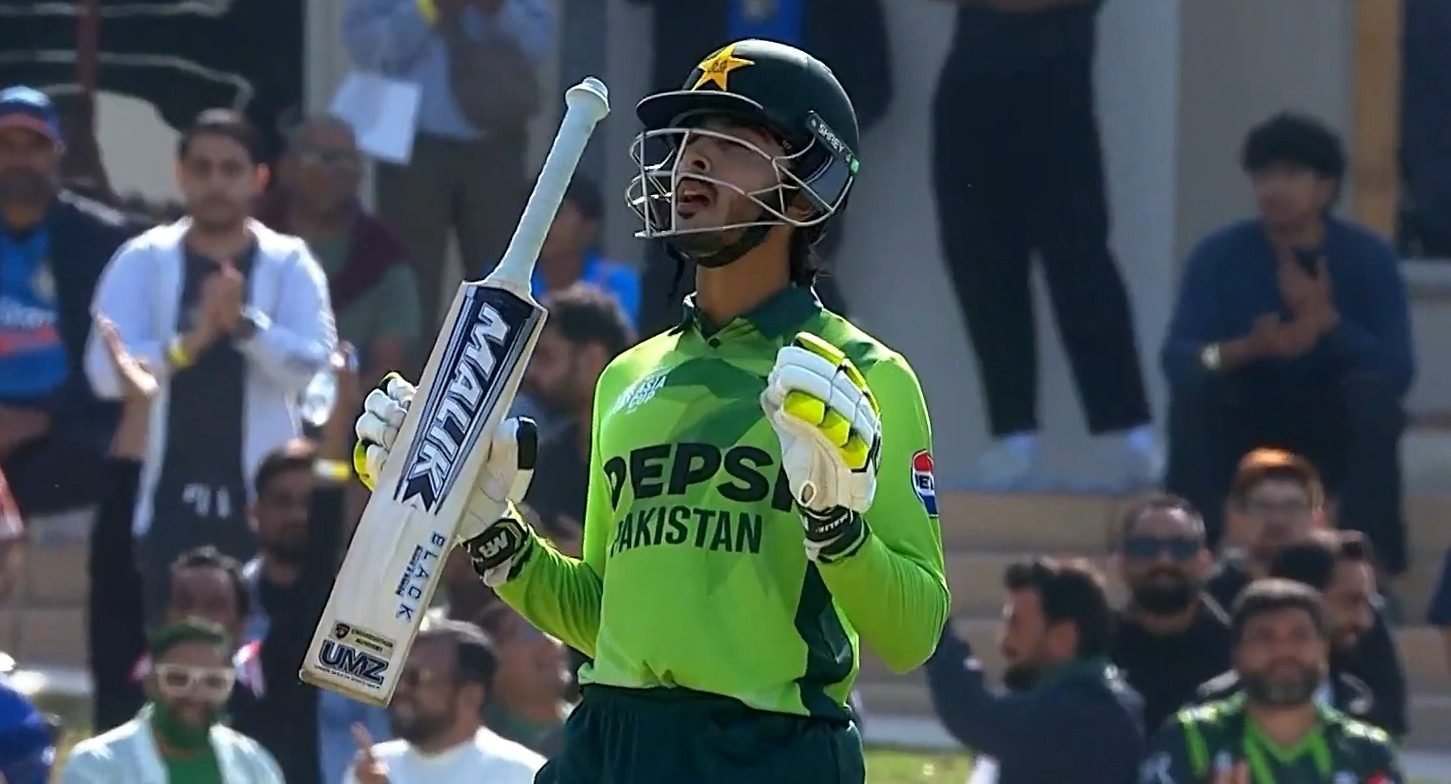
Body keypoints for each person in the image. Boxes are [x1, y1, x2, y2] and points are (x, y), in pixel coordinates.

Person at [352, 39, 949, 783]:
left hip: (765, 752)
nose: (693, 159)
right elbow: (604, 618)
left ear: (807, 187)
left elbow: (913, 632)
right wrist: (494, 533)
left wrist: (836, 528)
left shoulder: (866, 377)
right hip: (608, 740)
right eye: (689, 138)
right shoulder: (629, 376)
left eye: (732, 140)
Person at [85, 108, 336, 622]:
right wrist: (189, 344)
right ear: (180, 175)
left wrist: (245, 327)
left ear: (259, 178)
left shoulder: (290, 263)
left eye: (230, 169)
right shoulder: (141, 258)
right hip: (160, 507)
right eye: (202, 168)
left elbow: (316, 373)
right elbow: (103, 372)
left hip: (260, 508)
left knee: (262, 655)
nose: (216, 183)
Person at [1162, 113, 1413, 571]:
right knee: (1194, 393)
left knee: (1373, 398)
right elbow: (1182, 359)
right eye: (1263, 176)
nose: (1273, 189)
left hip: (1330, 414)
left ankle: (1369, 564)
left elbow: (1397, 370)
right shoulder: (1218, 255)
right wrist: (1246, 349)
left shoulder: (1369, 258)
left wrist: (1328, 323)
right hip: (1244, 406)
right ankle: (1194, 554)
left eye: (1291, 175)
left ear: (1327, 187)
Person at [929, 0, 1157, 490]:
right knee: (982, 266)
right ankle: (1013, 438)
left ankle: (1128, 433)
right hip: (972, 83)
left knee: (1080, 261)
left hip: (1055, 84)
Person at [341, 0, 554, 343]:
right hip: (412, 146)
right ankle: (412, 375)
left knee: (503, 273)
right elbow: (365, 46)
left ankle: (501, 370)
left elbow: (539, 43)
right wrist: (429, 7)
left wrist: (496, 9)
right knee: (411, 280)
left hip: (495, 145)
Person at [0, 85, 140, 517]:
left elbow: (124, 351)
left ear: (58, 152)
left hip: (71, 448)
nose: (19, 159)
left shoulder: (103, 240)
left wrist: (43, 419)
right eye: (6, 146)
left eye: (34, 146)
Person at [1143, 579, 1402, 783]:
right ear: (1236, 654)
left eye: (1299, 636)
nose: (1283, 650)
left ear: (1324, 649)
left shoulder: (1367, 751)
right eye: (1264, 637)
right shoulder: (1191, 739)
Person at [927, 558, 1144, 784]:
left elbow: (976, 715)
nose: (1004, 641)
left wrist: (933, 626)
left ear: (1063, 637)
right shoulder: (1099, 703)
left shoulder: (1086, 715)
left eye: (1016, 624)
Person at [256, 116, 421, 386]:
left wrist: (339, 405)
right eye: (323, 158)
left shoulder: (385, 259)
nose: (337, 171)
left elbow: (389, 371)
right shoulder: (250, 241)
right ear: (287, 167)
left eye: (348, 161)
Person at [1199, 531, 1405, 737]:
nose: (1364, 620)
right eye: (1350, 602)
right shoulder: (1207, 721)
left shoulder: (1365, 708)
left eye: (1369, 604)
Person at [59, 618, 284, 784]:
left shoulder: (254, 765)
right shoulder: (98, 764)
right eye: (178, 679)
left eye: (213, 682)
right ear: (150, 684)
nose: (195, 696)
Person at [347, 618, 543, 784]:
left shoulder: (520, 773)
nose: (400, 689)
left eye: (415, 678)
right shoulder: (371, 767)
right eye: (398, 675)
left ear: (470, 697)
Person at [520, 284, 634, 538]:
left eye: (546, 356)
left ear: (593, 359)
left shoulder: (644, 455)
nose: (531, 373)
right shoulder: (548, 460)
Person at [1110, 495, 1231, 735]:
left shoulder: (1236, 651)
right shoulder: (1095, 650)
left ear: (1205, 561)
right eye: (1146, 548)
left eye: (1181, 549)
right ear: (1122, 561)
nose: (1164, 560)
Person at [533, 178, 641, 328]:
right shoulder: (509, 281)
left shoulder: (619, 283)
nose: (544, 223)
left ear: (589, 227)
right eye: (536, 213)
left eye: (557, 212)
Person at [476, 601, 572, 756]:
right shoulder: (479, 743)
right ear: (493, 656)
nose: (550, 642)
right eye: (530, 632)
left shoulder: (597, 726)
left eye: (552, 629)